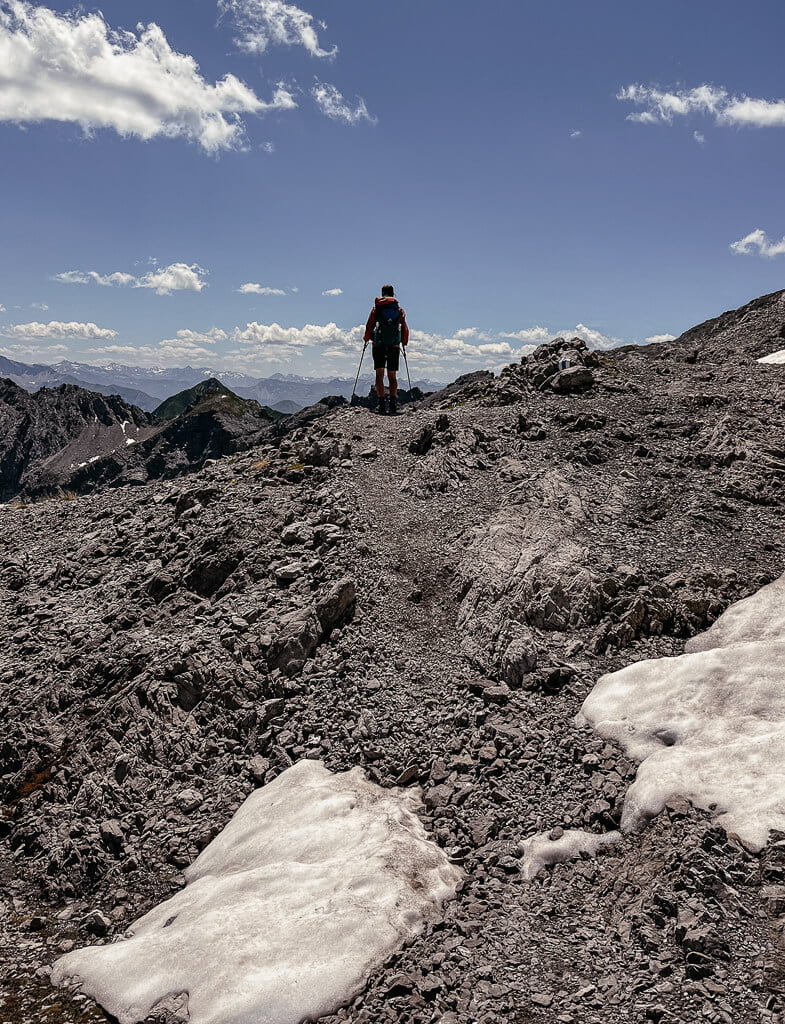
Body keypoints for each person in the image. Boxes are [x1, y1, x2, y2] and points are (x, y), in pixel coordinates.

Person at [363, 284, 409, 414]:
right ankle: (393, 405)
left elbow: (369, 326)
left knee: (379, 374)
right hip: (394, 345)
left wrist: (366, 338)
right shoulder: (399, 311)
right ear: (393, 294)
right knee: (392, 376)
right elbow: (404, 327)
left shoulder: (376, 310)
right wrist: (403, 342)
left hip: (378, 345)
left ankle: (382, 405)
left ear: (382, 294)